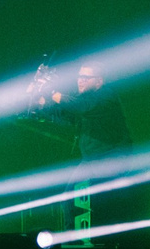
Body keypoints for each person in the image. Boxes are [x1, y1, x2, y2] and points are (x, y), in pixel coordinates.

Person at [35, 60, 135, 229]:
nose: (80, 80)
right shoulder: (84, 100)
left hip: (113, 158)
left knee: (99, 201)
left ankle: (103, 236)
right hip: (92, 160)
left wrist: (52, 92)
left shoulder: (106, 96)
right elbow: (64, 114)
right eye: (79, 76)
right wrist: (41, 101)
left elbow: (81, 106)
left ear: (99, 81)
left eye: (86, 77)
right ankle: (74, 238)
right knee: (71, 198)